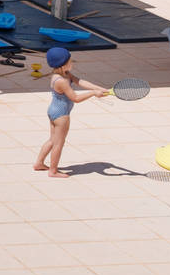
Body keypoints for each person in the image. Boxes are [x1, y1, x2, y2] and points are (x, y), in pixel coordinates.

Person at [34, 47, 113, 177]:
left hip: (53, 110)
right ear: (62, 64)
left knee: (52, 140)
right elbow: (75, 98)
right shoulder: (62, 81)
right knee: (59, 143)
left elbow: (80, 81)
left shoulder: (61, 74)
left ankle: (39, 163)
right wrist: (93, 93)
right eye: (70, 61)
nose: (73, 63)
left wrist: (99, 88)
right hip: (61, 115)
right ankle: (53, 171)